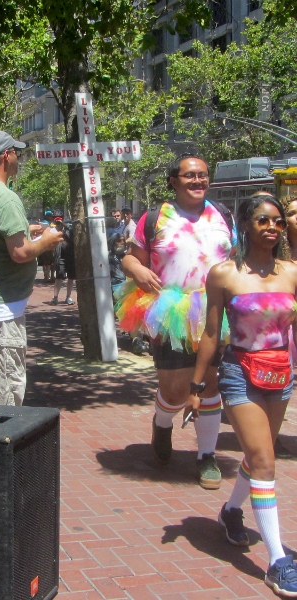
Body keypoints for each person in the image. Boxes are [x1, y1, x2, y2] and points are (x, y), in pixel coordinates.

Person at [184, 193, 297, 597]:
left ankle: (232, 510)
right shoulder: (224, 274)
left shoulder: (292, 272)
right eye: (264, 220)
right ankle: (277, 561)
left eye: (279, 222)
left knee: (257, 455)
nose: (272, 227)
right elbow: (212, 333)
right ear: (246, 225)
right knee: (266, 459)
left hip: (281, 374)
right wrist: (197, 388)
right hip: (239, 374)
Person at [117, 153, 236, 489]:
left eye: (203, 175)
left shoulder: (222, 215)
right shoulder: (156, 217)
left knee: (210, 383)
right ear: (174, 181)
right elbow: (130, 258)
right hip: (168, 311)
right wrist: (137, 269)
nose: (197, 181)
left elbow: (236, 259)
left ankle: (207, 456)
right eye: (189, 176)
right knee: (174, 390)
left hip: (214, 312)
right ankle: (163, 422)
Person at [0, 130, 63, 405]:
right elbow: (20, 252)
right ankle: (0, 446)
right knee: (5, 400)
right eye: (16, 153)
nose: (19, 158)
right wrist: (46, 241)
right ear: (6, 156)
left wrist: (26, 229)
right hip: (0, 312)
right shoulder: (5, 197)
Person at [49, 217, 76, 305]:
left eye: (60, 220)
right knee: (59, 276)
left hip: (71, 257)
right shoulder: (54, 230)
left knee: (71, 278)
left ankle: (68, 297)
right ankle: (55, 297)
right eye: (57, 220)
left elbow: (72, 237)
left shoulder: (69, 229)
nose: (59, 222)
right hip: (61, 257)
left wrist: (65, 227)